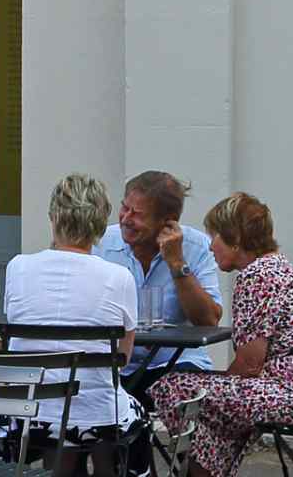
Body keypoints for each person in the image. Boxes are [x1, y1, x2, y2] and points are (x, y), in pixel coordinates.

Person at [2, 173, 144, 476]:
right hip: (98, 416)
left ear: (54, 217)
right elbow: (123, 357)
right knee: (118, 412)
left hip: (30, 414)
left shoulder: (18, 267)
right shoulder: (119, 277)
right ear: (100, 225)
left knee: (64, 419)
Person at [149, 193, 293, 477]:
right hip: (282, 388)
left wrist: (219, 390)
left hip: (283, 393)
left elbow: (250, 365)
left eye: (213, 235)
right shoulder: (280, 267)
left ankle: (198, 471)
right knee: (215, 407)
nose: (210, 245)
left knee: (171, 387)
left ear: (235, 237)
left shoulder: (256, 277)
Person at [94, 171, 224, 401]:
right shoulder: (102, 243)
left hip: (175, 363)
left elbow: (208, 321)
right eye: (125, 208)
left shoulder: (197, 246)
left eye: (138, 214)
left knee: (186, 390)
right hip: (114, 364)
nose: (125, 219)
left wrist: (177, 263)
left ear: (168, 221)